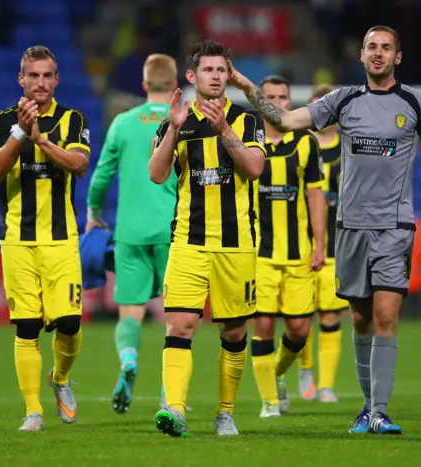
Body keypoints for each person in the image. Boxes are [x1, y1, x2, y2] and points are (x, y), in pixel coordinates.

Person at [229, 25, 421, 434]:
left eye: (386, 47)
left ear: (398, 57)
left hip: (394, 225)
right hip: (351, 228)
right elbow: (285, 120)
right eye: (371, 47)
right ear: (361, 56)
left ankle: (380, 411)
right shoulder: (343, 100)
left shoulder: (416, 103)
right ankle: (366, 407)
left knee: (386, 315)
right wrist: (248, 87)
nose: (378, 53)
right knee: (360, 318)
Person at [148, 39, 266, 437]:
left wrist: (224, 129)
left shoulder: (247, 120)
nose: (216, 77)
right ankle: (176, 410)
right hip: (188, 243)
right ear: (192, 76)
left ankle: (225, 412)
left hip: (236, 245)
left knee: (233, 333)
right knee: (180, 325)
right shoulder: (175, 121)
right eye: (209, 70)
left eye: (222, 70)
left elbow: (254, 168)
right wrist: (173, 131)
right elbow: (157, 174)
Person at [0, 45, 91, 431]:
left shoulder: (72, 119)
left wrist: (41, 140)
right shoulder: (1, 121)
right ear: (21, 79)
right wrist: (19, 133)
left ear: (56, 79)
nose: (41, 83)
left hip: (61, 240)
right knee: (26, 327)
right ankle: (33, 411)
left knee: (70, 322)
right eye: (34, 76)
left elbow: (80, 165)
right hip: (17, 240)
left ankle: (60, 378)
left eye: (47, 76)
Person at [85, 54, 178, 414]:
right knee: (177, 316)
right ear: (175, 86)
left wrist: (94, 215)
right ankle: (169, 393)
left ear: (143, 86)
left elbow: (101, 178)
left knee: (130, 311)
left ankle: (128, 361)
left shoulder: (122, 124)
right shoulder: (182, 122)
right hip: (174, 230)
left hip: (130, 229)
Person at [250, 75, 326, 419]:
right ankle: (270, 401)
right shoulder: (246, 142)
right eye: (271, 97)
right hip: (257, 254)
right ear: (260, 101)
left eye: (284, 96)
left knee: (299, 330)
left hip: (298, 253)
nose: (278, 102)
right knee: (263, 325)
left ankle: (277, 373)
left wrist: (320, 244)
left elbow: (316, 197)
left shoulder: (306, 143)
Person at [296, 84, 351, 404]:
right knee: (299, 318)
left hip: (336, 246)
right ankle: (305, 368)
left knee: (330, 318)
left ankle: (326, 385)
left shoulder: (349, 148)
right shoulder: (298, 145)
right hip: (299, 244)